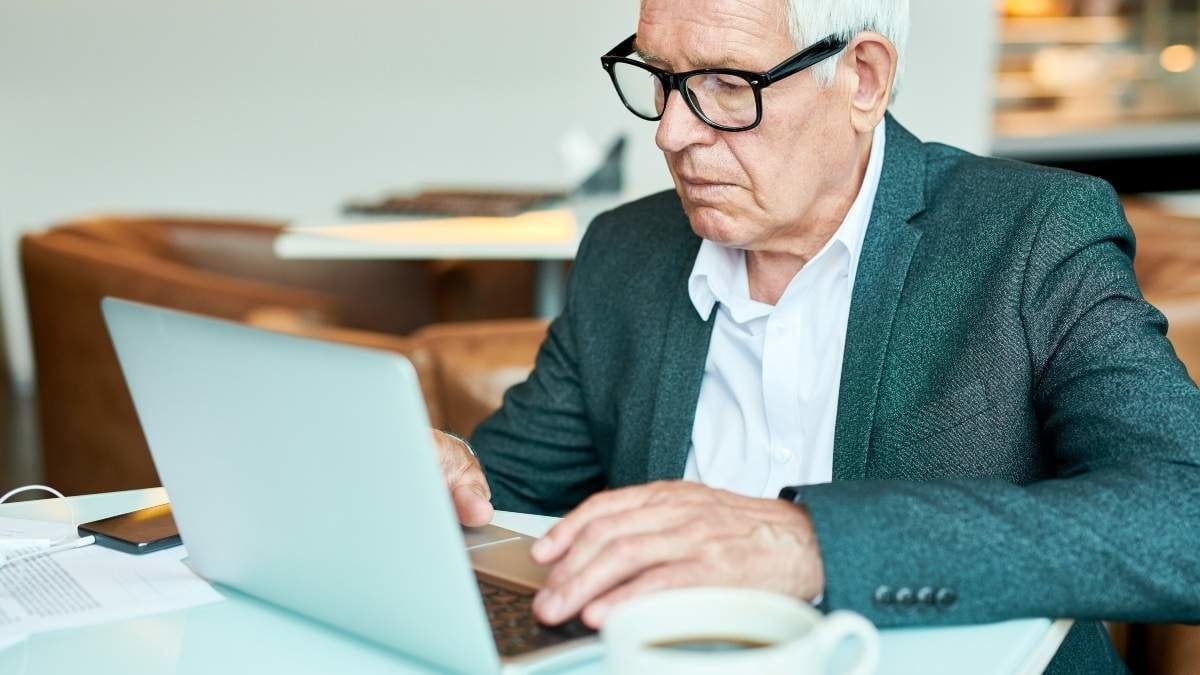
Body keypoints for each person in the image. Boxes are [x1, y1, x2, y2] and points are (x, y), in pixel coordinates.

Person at [432, 0, 1200, 671]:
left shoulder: (1031, 236)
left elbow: (1184, 520)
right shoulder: (625, 252)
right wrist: (435, 482)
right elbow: (506, 496)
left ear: (862, 77)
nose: (670, 133)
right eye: (660, 77)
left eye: (727, 86)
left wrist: (810, 543)